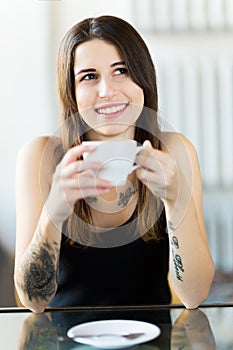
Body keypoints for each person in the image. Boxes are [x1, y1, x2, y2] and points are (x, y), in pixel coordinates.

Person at [14, 15, 214, 313]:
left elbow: (194, 296)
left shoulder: (175, 151)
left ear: (143, 78)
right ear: (72, 92)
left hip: (151, 339)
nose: (106, 90)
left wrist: (175, 198)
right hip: (64, 340)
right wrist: (54, 208)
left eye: (121, 71)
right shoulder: (41, 157)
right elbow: (34, 302)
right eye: (89, 76)